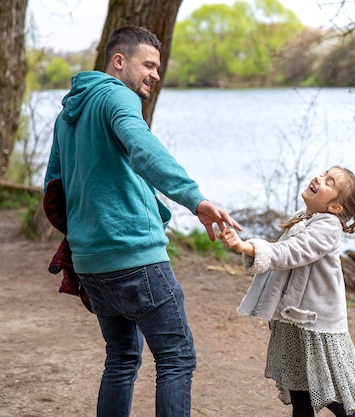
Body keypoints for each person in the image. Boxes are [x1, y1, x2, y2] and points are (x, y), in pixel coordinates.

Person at [43, 25, 242, 417]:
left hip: (91, 262)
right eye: (148, 64)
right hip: (135, 255)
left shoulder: (68, 113)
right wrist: (194, 198)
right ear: (119, 61)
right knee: (176, 358)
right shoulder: (118, 98)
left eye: (158, 67)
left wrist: (84, 237)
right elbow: (143, 148)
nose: (155, 74)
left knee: (120, 359)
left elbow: (54, 186)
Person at [220, 166, 355, 417]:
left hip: (316, 325)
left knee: (332, 393)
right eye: (323, 174)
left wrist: (247, 247)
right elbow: (284, 254)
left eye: (329, 182)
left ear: (335, 208)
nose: (319, 179)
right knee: (299, 392)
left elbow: (291, 252)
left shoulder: (328, 227)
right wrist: (245, 248)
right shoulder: (306, 217)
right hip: (294, 320)